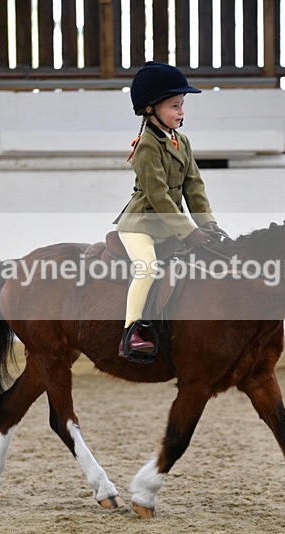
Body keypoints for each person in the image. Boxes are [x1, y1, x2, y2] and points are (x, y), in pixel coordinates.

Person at [113, 61, 226, 361]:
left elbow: (194, 187)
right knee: (148, 267)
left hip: (170, 226)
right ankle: (131, 332)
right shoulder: (146, 146)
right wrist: (190, 232)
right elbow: (160, 198)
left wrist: (208, 224)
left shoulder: (182, 142)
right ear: (150, 109)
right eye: (175, 106)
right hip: (140, 225)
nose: (181, 112)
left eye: (182, 105)